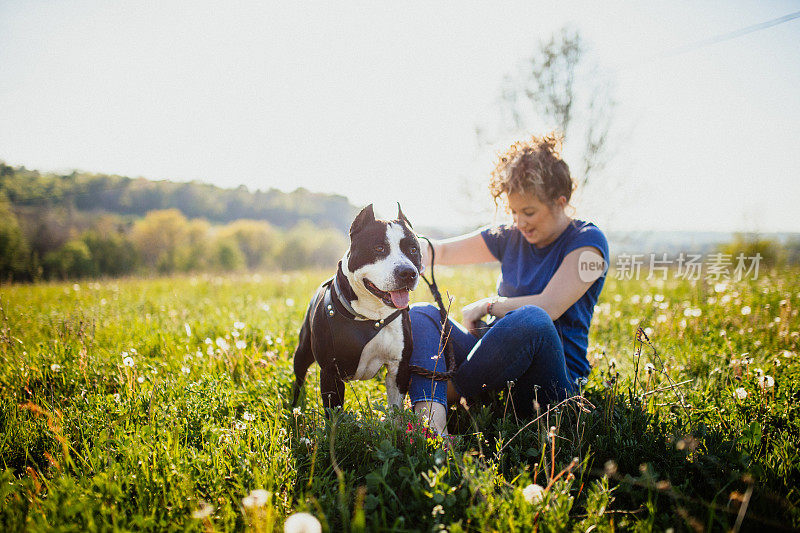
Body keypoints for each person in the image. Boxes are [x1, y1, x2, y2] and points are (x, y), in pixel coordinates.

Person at [408, 133, 609, 436]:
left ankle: (452, 390)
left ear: (560, 202)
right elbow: (444, 251)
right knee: (422, 315)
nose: (521, 222)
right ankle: (431, 433)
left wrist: (489, 306)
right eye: (514, 213)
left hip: (552, 384)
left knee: (533, 319)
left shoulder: (590, 244)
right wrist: (398, 249)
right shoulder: (511, 234)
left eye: (529, 212)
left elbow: (550, 306)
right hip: (493, 367)